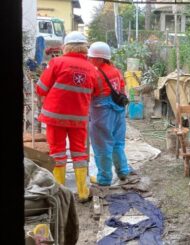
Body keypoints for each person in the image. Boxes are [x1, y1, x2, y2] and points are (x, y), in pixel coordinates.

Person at [35, 31, 98, 202]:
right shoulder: (92, 68)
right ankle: (83, 192)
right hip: (78, 118)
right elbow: (95, 92)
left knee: (57, 152)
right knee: (79, 153)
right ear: (85, 48)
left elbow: (40, 88)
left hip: (55, 116)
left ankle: (59, 193)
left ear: (66, 46)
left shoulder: (57, 62)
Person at [87, 41, 130, 186]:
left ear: (99, 58)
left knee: (102, 145)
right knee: (118, 143)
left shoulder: (95, 73)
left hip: (101, 113)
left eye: (91, 57)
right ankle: (123, 171)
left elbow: (89, 93)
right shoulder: (116, 70)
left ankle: (104, 178)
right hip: (118, 111)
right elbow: (122, 89)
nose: (89, 59)